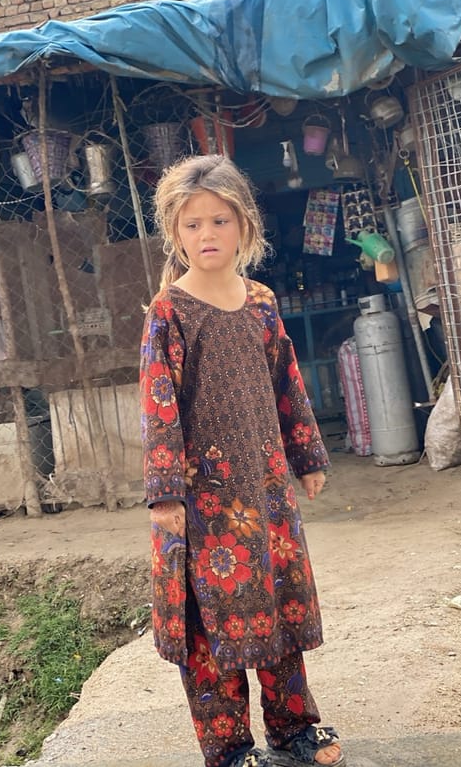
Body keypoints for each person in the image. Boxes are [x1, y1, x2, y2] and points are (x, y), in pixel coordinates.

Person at [139, 154, 345, 767]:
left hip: (267, 489)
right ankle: (228, 747)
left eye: (221, 222)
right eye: (194, 224)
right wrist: (166, 492)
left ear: (245, 227)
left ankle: (294, 728)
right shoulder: (169, 312)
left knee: (280, 604)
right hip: (205, 503)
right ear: (175, 232)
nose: (208, 235)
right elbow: (158, 405)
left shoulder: (260, 301)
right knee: (213, 624)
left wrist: (306, 453)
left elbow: (287, 381)